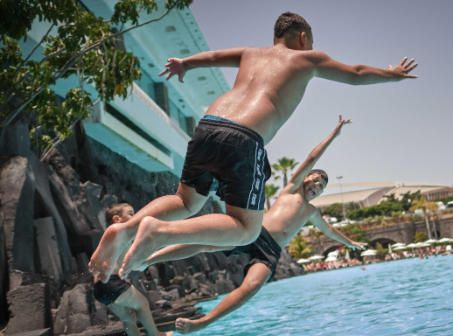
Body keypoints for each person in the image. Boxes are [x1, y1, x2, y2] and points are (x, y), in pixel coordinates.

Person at [88, 11, 417, 282]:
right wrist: (391, 74)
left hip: (209, 125)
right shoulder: (308, 58)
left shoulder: (251, 53)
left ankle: (128, 228)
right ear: (303, 38)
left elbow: (215, 57)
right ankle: (159, 232)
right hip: (244, 137)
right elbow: (357, 73)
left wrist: (186, 63)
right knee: (246, 229)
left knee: (184, 200)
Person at [140, 116, 366, 334]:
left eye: (322, 186)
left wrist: (350, 242)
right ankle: (148, 259)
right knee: (204, 245)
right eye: (315, 179)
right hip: (254, 232)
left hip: (270, 251)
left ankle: (204, 322)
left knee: (252, 287)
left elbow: (329, 231)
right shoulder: (291, 189)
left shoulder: (312, 212)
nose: (317, 185)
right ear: (305, 178)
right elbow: (311, 157)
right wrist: (334, 135)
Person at [90, 203, 172, 336]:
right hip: (111, 282)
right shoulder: (120, 233)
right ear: (117, 219)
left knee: (128, 318)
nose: (135, 217)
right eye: (130, 213)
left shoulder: (117, 237)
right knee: (142, 304)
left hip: (99, 288)